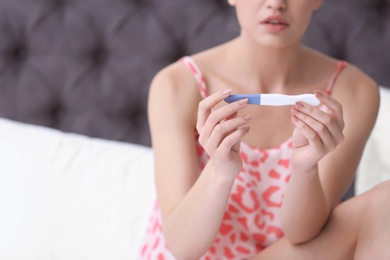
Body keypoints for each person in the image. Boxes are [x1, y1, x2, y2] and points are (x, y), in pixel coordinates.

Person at [139, 0, 388, 259]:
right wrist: (220, 171)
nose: (276, 4)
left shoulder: (353, 92)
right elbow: (182, 247)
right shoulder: (177, 85)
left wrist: (305, 168)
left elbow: (301, 233)